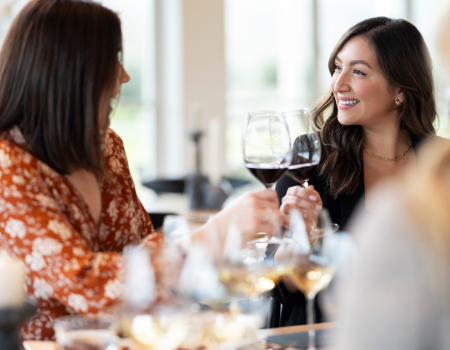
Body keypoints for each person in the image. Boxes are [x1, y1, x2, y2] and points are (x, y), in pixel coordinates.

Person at [0, 0, 281, 340]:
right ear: (68, 72)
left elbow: (145, 261)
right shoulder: (7, 166)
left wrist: (265, 244)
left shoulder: (107, 147)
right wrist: (212, 234)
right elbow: (90, 287)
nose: (124, 75)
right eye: (112, 60)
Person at [272, 16, 439, 327]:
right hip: (326, 335)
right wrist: (300, 240)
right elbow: (283, 287)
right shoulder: (311, 158)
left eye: (358, 71)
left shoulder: (440, 162)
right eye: (337, 67)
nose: (339, 84)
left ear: (400, 89)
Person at [336, 137, 450, 350]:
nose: (337, 100)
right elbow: (280, 281)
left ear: (401, 99)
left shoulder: (437, 164)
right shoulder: (315, 161)